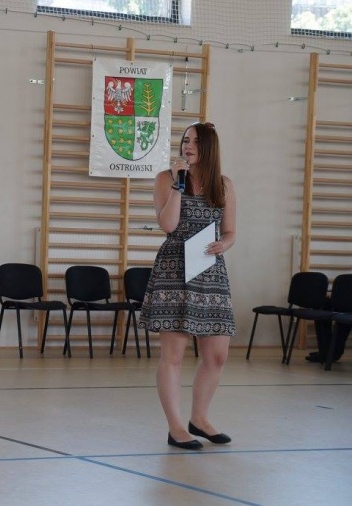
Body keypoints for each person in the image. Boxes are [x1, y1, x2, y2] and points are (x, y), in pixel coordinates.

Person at [139, 122, 236, 450]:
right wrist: (179, 185)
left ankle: (200, 418)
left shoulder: (224, 185)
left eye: (194, 141)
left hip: (210, 270)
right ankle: (176, 427)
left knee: (217, 354)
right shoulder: (166, 179)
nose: (187, 146)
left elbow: (230, 231)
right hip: (174, 271)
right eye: (185, 140)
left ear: (209, 147)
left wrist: (224, 244)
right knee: (174, 355)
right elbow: (168, 225)